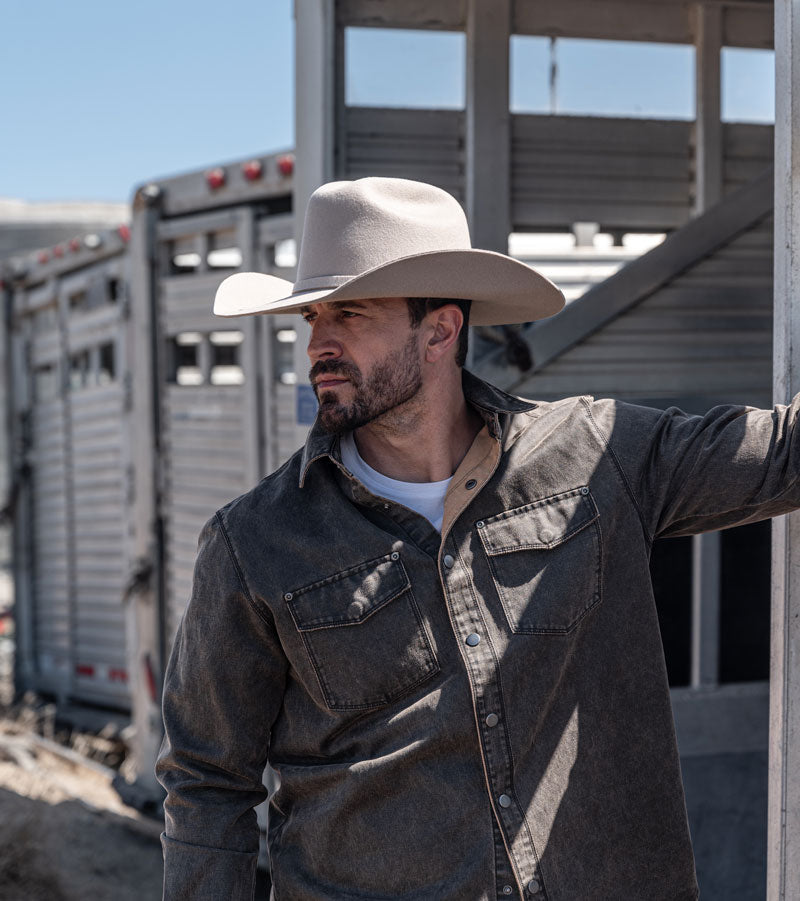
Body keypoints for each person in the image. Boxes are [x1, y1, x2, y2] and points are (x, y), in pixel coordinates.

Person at [156, 177, 797, 901]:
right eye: (311, 316)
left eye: (351, 313)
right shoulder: (255, 541)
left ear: (439, 330)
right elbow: (207, 781)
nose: (318, 342)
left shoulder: (595, 453)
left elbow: (783, 454)